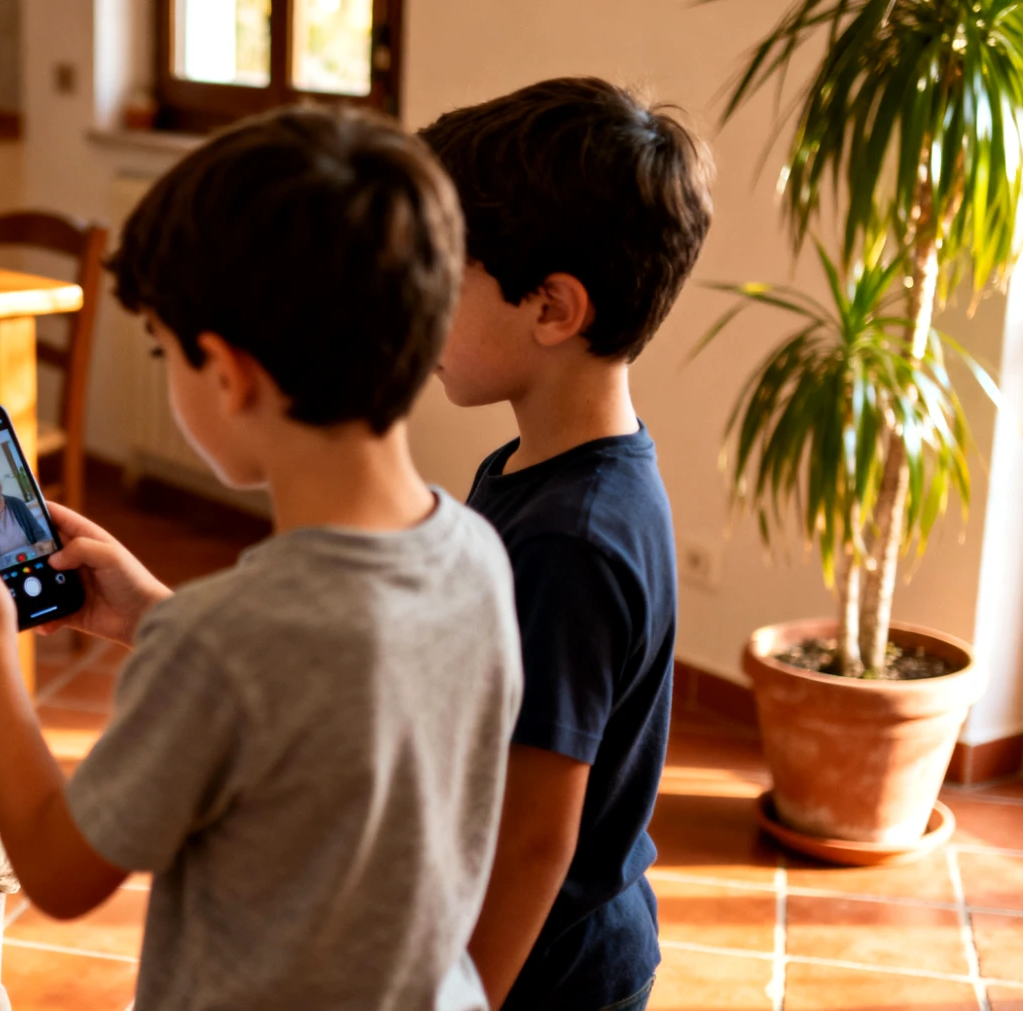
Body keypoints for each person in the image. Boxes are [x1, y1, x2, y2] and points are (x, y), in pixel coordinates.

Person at [0, 105, 524, 1011]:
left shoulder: (223, 644)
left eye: (166, 350)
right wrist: (152, 615)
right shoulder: (475, 549)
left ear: (231, 374)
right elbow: (328, 689)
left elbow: (59, 866)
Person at [418, 78, 714, 1011]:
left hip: (545, 980)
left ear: (553, 308)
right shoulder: (540, 474)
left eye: (438, 268)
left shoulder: (570, 542)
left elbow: (535, 842)